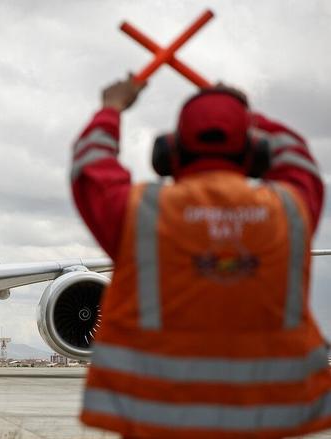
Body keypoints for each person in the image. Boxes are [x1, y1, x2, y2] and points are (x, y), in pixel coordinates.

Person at [71, 76, 329, 438]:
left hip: (156, 426)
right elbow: (301, 164)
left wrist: (110, 109)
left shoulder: (140, 213)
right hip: (266, 425)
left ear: (168, 151)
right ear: (255, 151)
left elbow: (91, 168)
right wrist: (244, 114)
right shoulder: (288, 212)